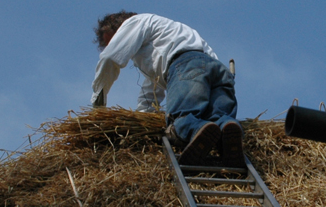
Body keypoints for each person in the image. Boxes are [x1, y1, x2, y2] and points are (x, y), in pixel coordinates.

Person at [90, 10, 242, 165]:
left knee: (182, 121)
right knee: (220, 120)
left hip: (188, 67)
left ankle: (194, 128)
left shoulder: (136, 22)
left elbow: (110, 57)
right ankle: (228, 130)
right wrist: (144, 118)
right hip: (219, 72)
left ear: (121, 29)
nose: (115, 44)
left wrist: (98, 102)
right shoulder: (168, 33)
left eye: (114, 41)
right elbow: (152, 88)